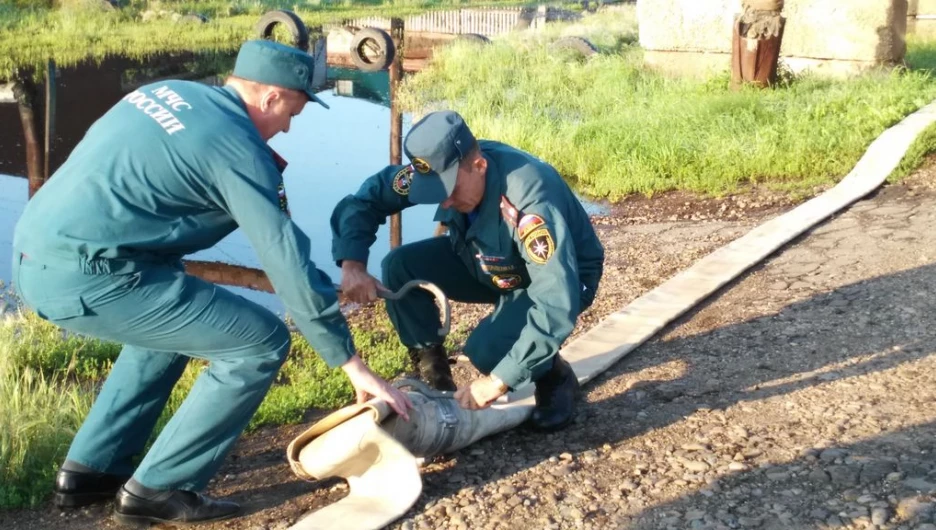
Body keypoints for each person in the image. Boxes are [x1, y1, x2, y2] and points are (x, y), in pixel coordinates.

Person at [11, 40, 412, 526]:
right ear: (270, 98)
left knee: (174, 325)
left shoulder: (167, 92)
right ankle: (158, 490)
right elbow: (283, 254)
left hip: (35, 253)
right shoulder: (235, 148)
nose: (287, 126)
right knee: (259, 342)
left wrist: (325, 286)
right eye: (293, 112)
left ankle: (91, 471)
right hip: (90, 276)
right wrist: (350, 363)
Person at [331, 110, 604, 431]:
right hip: (487, 260)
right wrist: (352, 264)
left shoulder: (529, 198)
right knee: (399, 265)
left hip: (558, 278)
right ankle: (434, 377)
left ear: (479, 166)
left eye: (448, 191)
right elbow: (364, 201)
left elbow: (556, 300)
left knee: (487, 352)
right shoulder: (440, 166)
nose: (443, 203)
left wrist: (498, 382)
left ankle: (555, 377)